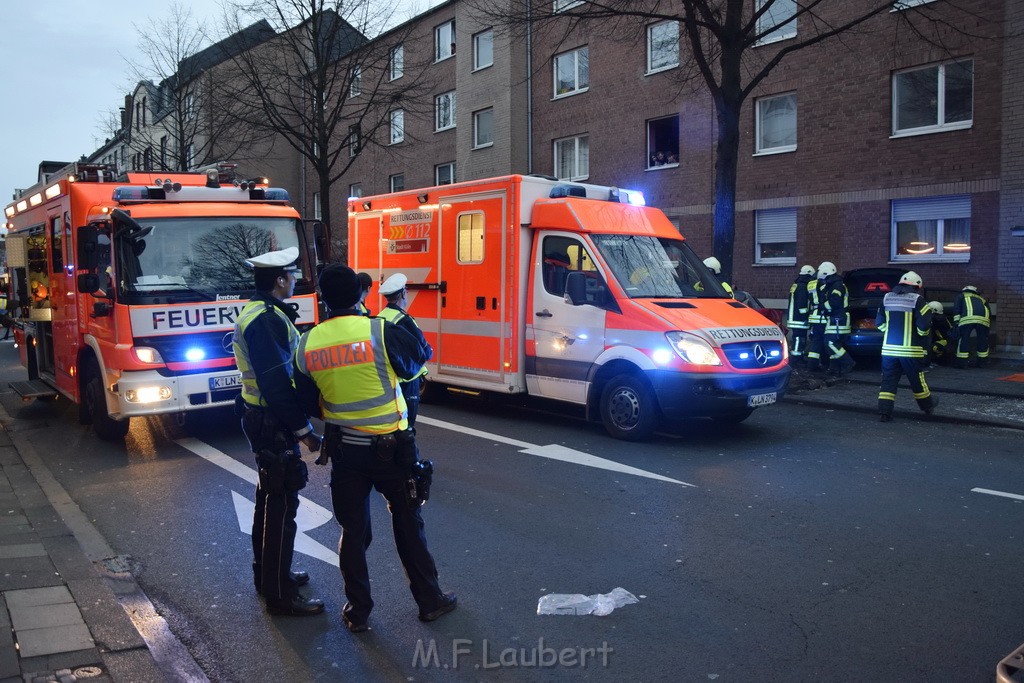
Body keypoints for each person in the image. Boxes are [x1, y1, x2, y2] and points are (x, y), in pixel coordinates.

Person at [294, 264, 456, 633]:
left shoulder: (308, 342)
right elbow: (415, 363)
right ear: (360, 295)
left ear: (324, 300)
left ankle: (358, 611)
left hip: (346, 452)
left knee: (353, 531)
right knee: (408, 523)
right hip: (393, 449)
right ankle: (430, 601)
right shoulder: (381, 330)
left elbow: (306, 399)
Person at [232, 246, 325, 617]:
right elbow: (275, 382)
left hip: (260, 416)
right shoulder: (267, 319)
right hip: (270, 419)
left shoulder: (261, 311)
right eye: (291, 276)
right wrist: (303, 430)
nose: (295, 280)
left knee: (270, 500)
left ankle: (269, 575)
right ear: (279, 280)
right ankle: (280, 593)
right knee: (281, 505)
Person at [875, 271, 938, 422]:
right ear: (917, 286)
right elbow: (923, 327)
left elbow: (879, 324)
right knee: (917, 379)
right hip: (911, 350)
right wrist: (921, 336)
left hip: (889, 350)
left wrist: (889, 332)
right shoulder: (918, 300)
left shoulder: (887, 298)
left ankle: (885, 412)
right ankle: (927, 406)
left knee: (888, 380)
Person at [377, 273, 433, 428]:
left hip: (387, 380)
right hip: (407, 382)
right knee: (407, 427)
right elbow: (424, 350)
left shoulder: (380, 317)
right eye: (406, 291)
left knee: (391, 425)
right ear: (402, 294)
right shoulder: (404, 319)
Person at [817, 261, 856, 376]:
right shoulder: (834, 284)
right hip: (835, 318)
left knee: (830, 342)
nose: (822, 281)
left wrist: (823, 306)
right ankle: (834, 368)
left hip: (839, 318)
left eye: (823, 278)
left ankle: (848, 362)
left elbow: (835, 302)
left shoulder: (837, 285)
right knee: (831, 343)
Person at [953, 285, 991, 368]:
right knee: (982, 341)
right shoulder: (982, 299)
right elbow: (989, 311)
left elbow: (957, 308)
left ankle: (963, 363)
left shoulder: (961, 296)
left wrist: (956, 322)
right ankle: (982, 363)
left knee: (964, 339)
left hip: (967, 319)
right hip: (983, 321)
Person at [786, 265, 816, 366]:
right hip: (799, 319)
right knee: (799, 338)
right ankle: (796, 359)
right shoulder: (803, 287)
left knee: (798, 337)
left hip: (794, 317)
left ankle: (799, 357)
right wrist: (806, 316)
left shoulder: (797, 284)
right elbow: (802, 305)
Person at [805, 264, 829, 373]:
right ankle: (823, 363)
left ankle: (812, 365)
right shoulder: (823, 284)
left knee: (815, 341)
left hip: (814, 316)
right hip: (822, 316)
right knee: (823, 341)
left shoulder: (811, 284)